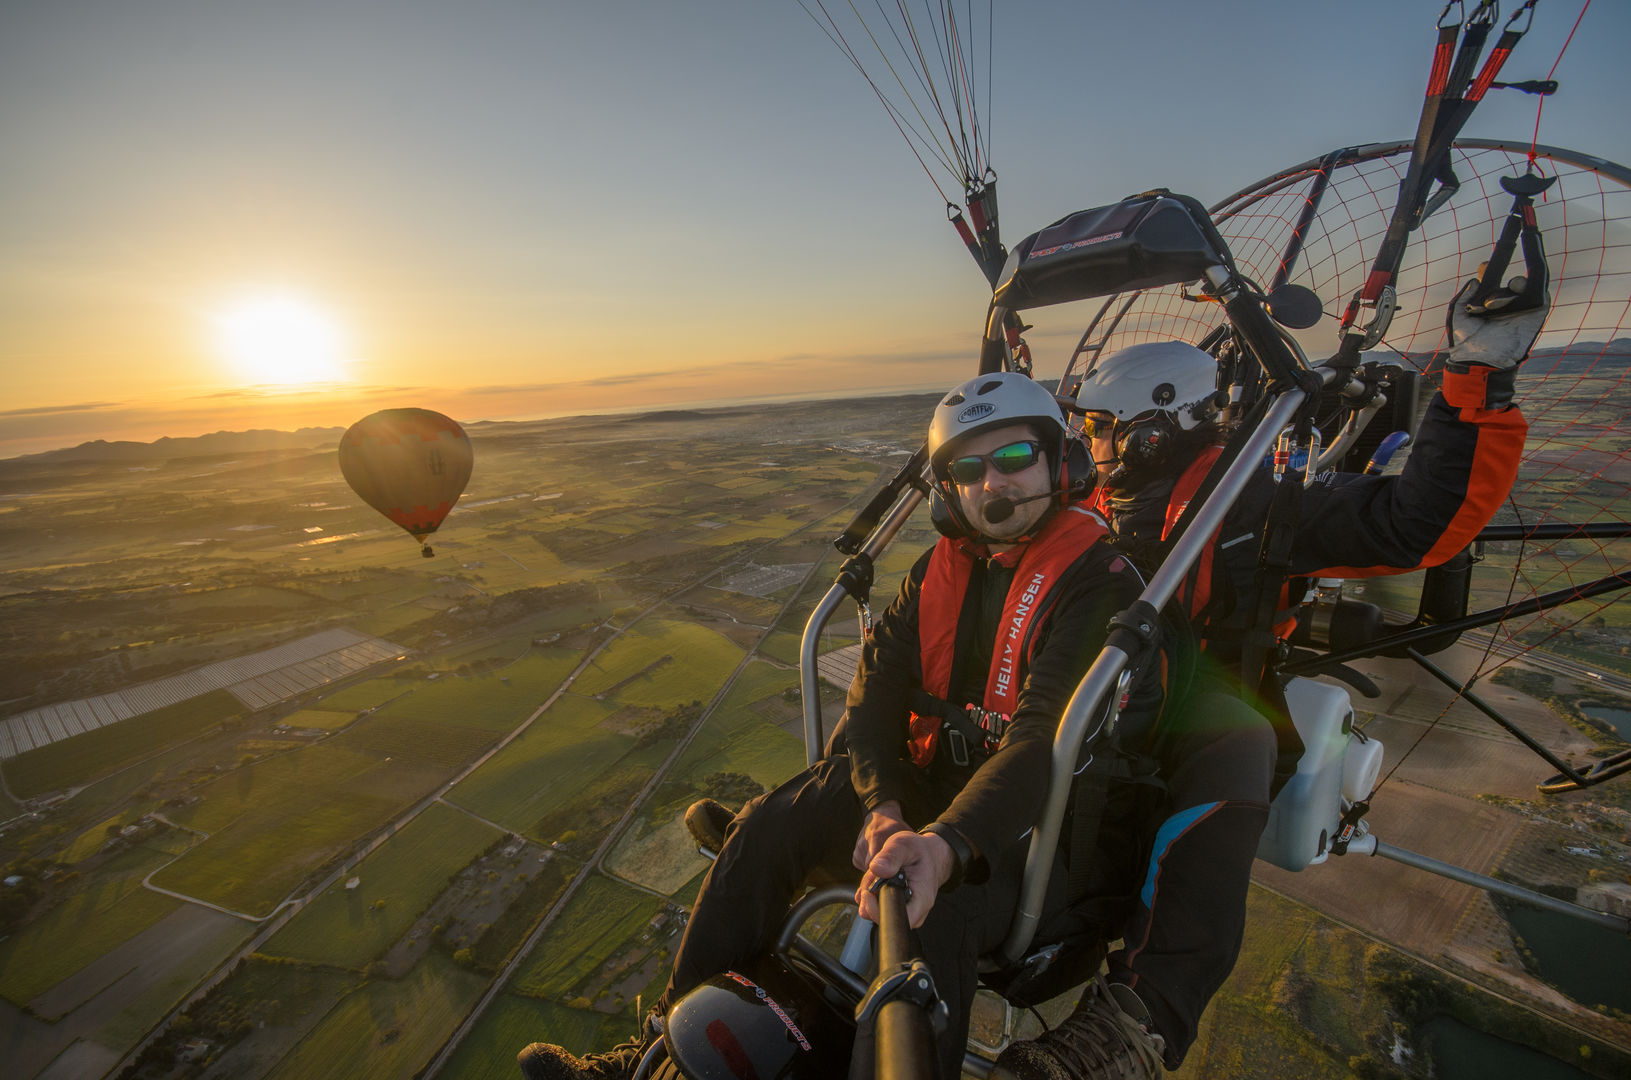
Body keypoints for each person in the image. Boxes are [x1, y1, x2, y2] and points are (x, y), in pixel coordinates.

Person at [517, 371, 1162, 1080]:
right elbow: (874, 690)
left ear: (1059, 462)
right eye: (969, 470)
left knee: (927, 913)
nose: (991, 486)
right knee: (766, 824)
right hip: (921, 791)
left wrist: (943, 847)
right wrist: (882, 807)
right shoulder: (935, 572)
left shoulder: (1099, 584)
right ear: (949, 490)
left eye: (1013, 461)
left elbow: (1042, 740)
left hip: (1029, 832)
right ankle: (655, 1048)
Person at [988, 273, 1545, 1080]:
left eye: (1104, 428)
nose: (1092, 445)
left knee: (1234, 743)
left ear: (1153, 428)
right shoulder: (1102, 502)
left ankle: (1140, 1019)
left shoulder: (1254, 499)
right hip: (1088, 683)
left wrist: (1477, 375)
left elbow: (1412, 520)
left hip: (1197, 696)